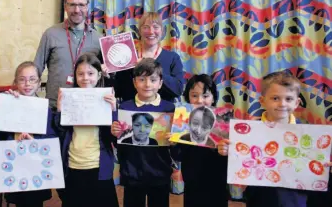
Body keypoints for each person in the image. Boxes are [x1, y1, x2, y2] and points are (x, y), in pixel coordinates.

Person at [218, 71, 332, 207]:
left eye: (288, 99)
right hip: (260, 197)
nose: (282, 104)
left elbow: (313, 168)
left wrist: (324, 167)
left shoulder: (308, 135)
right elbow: (239, 162)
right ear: (262, 101)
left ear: (297, 102)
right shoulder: (248, 132)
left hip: (295, 199)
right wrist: (226, 151)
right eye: (275, 98)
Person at [0, 61, 59, 207]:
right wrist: (4, 103)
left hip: (36, 163)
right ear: (15, 82)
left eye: (32, 79)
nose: (27, 84)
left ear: (39, 82)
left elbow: (52, 137)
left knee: (35, 201)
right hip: (14, 161)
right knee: (19, 201)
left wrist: (35, 140)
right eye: (22, 79)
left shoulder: (44, 108)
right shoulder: (8, 103)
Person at [56, 53, 119, 207]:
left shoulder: (106, 99)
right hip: (73, 164)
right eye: (80, 74)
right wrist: (59, 110)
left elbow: (116, 136)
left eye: (90, 73)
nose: (85, 78)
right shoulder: (68, 98)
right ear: (75, 76)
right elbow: (60, 132)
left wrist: (113, 110)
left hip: (98, 166)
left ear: (99, 75)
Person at [111, 58, 175, 207]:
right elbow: (120, 144)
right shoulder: (125, 107)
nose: (147, 85)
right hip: (132, 173)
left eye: (153, 80)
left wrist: (174, 141)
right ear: (134, 82)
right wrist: (115, 134)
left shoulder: (170, 109)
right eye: (142, 79)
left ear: (160, 83)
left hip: (160, 173)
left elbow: (176, 148)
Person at [34, 0, 102, 109]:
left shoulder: (98, 39)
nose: (77, 10)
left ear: (87, 7)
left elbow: (106, 73)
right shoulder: (50, 34)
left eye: (81, 5)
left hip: (87, 107)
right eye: (72, 5)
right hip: (56, 106)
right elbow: (35, 70)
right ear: (65, 6)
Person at [170, 74, 228, 207]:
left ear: (213, 98)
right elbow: (178, 156)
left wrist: (226, 150)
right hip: (192, 180)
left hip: (217, 180)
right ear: (188, 97)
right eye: (194, 95)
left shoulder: (223, 124)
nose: (200, 100)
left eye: (205, 96)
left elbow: (231, 160)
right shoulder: (182, 125)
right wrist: (173, 144)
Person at [114, 12, 185, 102]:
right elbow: (118, 92)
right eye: (146, 27)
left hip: (163, 113)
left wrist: (154, 71)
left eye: (155, 27)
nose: (151, 31)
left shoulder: (173, 58)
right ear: (140, 31)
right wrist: (109, 75)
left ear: (162, 31)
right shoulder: (127, 57)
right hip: (131, 112)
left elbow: (178, 90)